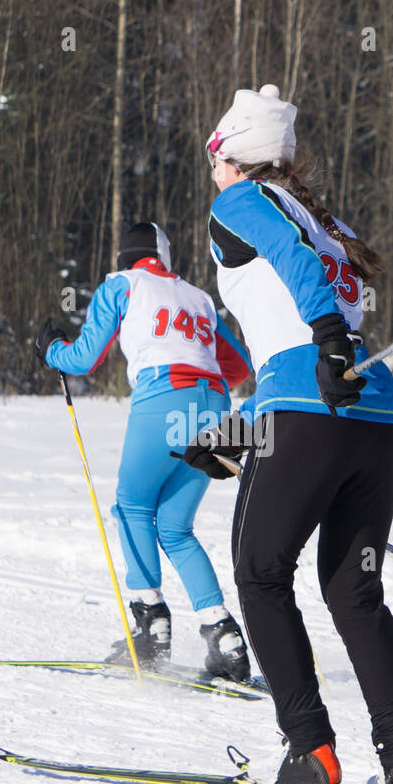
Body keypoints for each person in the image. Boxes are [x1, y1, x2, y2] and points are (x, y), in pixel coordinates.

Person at [183, 85, 393, 784]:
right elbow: (295, 314)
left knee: (260, 574)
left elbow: (296, 282)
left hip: (311, 402)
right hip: (371, 412)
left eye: (215, 160)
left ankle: (310, 750)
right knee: (355, 594)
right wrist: (241, 429)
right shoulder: (325, 219)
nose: (213, 176)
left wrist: (323, 344)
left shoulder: (241, 204)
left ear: (231, 156)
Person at [36, 222, 255, 681]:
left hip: (163, 399)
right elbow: (237, 366)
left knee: (132, 505)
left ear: (125, 256)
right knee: (175, 527)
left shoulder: (122, 285)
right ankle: (224, 637)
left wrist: (51, 349)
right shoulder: (198, 296)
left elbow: (83, 359)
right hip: (214, 406)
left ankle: (150, 627)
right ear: (166, 257)